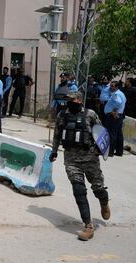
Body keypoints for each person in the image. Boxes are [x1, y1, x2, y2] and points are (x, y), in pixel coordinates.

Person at [50, 91, 110, 241]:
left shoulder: (90, 114)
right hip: (71, 159)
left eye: (72, 100)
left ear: (79, 100)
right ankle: (88, 225)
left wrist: (99, 149)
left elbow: (102, 132)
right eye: (67, 100)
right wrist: (54, 151)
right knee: (78, 190)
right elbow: (57, 134)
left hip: (90, 158)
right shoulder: (62, 115)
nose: (69, 103)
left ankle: (104, 202)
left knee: (98, 188)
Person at [104, 81, 126, 157]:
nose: (110, 87)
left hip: (113, 116)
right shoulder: (121, 93)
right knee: (119, 134)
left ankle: (110, 152)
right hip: (119, 115)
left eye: (112, 86)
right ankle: (119, 152)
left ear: (117, 87)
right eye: (110, 85)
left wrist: (114, 111)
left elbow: (118, 103)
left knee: (111, 133)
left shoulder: (116, 94)